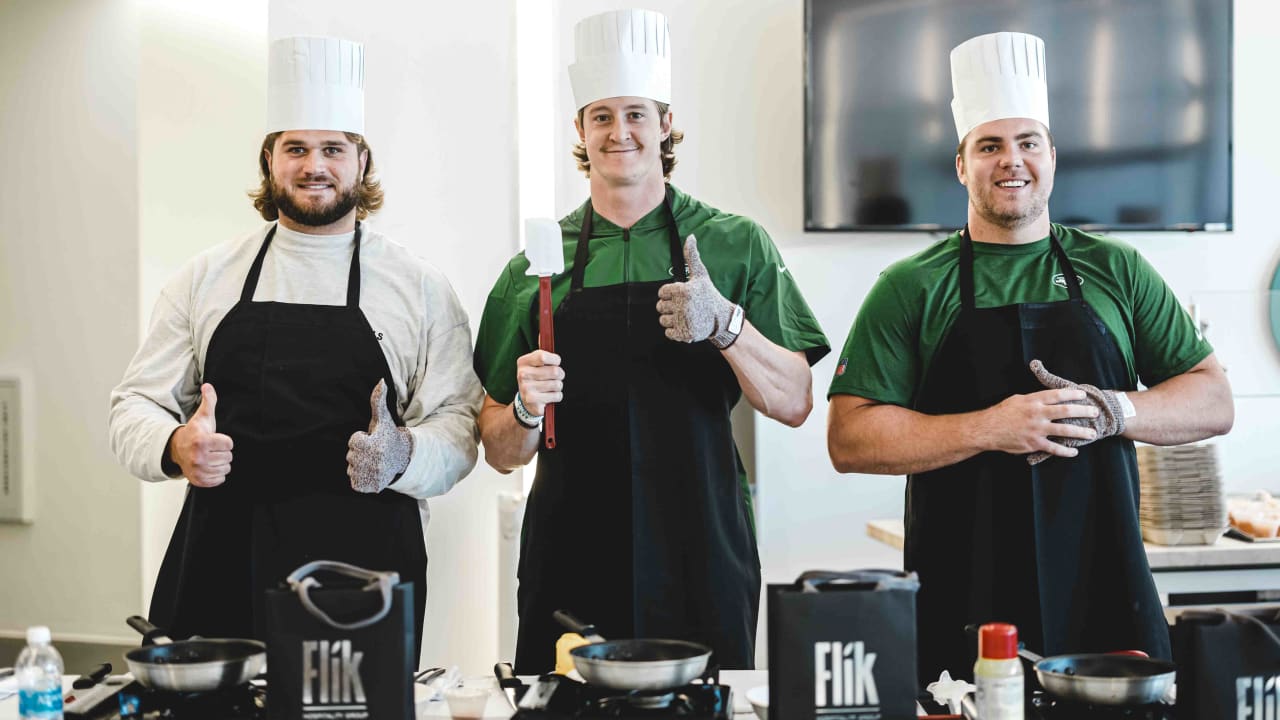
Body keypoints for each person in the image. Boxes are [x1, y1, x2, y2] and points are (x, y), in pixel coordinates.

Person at [826, 31, 1233, 685]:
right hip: (962, 596)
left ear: (1051, 157)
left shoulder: (1117, 269)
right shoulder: (911, 285)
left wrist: (1115, 410)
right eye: (989, 145)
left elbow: (1214, 399)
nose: (1010, 161)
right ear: (961, 165)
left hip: (1105, 588)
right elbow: (850, 439)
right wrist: (991, 426)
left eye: (1027, 142)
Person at [473, 9, 830, 673]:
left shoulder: (734, 242)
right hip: (570, 551)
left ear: (665, 124)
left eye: (635, 113)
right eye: (601, 116)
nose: (619, 132)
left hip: (702, 546)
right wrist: (523, 407)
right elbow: (497, 450)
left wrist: (727, 325)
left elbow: (796, 400)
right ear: (579, 130)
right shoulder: (532, 268)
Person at [108, 36, 481, 657]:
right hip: (221, 563)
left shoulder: (418, 287)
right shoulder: (206, 278)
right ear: (269, 160)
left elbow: (460, 423)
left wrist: (404, 453)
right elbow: (132, 406)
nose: (315, 165)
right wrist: (176, 444)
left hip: (361, 578)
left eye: (333, 148)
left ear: (361, 161)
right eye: (296, 149)